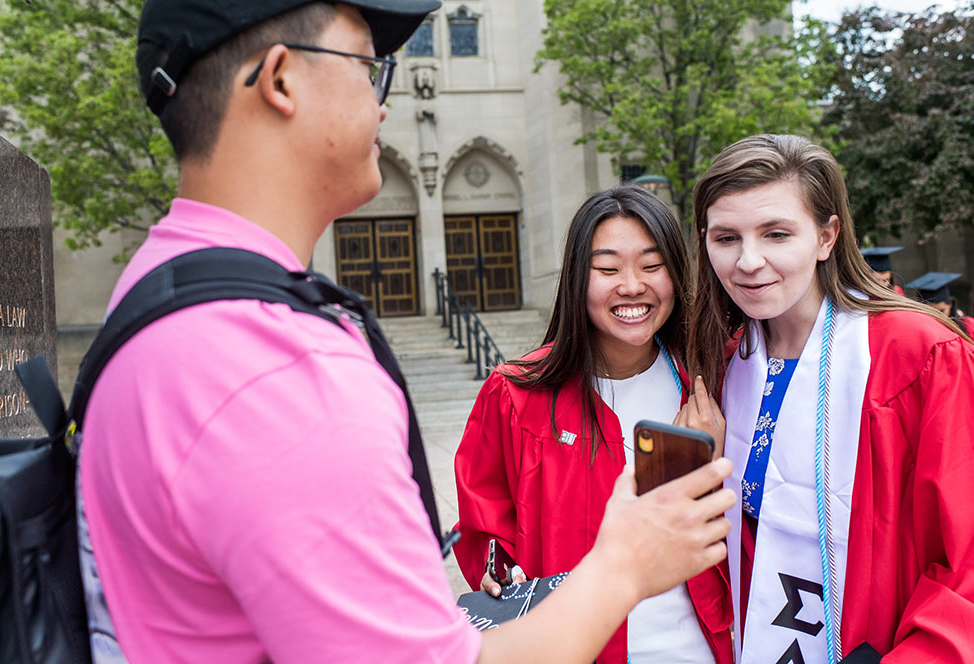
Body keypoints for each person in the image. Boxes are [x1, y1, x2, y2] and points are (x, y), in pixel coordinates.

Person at [76, 2, 737, 663]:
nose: (381, 102)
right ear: (280, 80)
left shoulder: (161, 293)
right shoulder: (276, 368)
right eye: (369, 67)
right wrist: (623, 562)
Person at [687, 134, 974, 663]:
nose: (749, 261)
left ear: (826, 236)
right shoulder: (725, 365)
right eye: (726, 238)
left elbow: (965, 565)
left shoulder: (918, 357)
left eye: (776, 233)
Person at [454, 185, 732, 664]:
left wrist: (705, 457)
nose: (631, 285)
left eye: (652, 266)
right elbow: (483, 527)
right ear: (577, 279)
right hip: (574, 646)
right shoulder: (517, 395)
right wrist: (497, 570)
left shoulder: (713, 380)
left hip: (696, 648)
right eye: (607, 269)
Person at [907, 271, 974, 337]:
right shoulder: (914, 332)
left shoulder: (969, 326)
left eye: (941, 311)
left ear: (950, 305)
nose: (937, 316)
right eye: (930, 312)